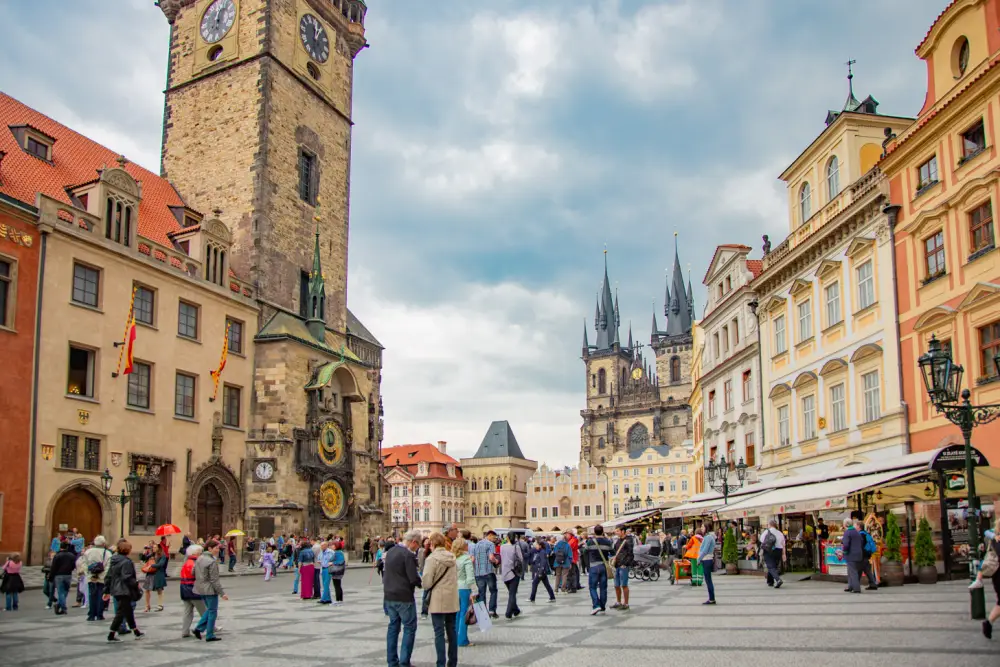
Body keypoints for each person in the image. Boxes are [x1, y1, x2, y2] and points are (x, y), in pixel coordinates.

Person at [384, 530, 422, 667]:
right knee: (409, 628)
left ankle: (392, 661)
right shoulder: (408, 555)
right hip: (404, 597)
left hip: (389, 596)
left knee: (393, 628)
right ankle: (404, 662)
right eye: (417, 545)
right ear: (413, 542)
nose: (417, 548)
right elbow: (413, 578)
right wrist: (421, 582)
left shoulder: (391, 551)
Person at [422, 532, 459, 667]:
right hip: (452, 598)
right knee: (452, 631)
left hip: (438, 599)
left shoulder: (432, 559)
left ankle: (440, 663)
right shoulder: (452, 557)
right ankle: (453, 662)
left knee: (439, 633)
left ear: (432, 543)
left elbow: (426, 582)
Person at [103, 541, 143, 642]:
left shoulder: (114, 560)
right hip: (124, 590)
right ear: (127, 550)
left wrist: (106, 590)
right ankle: (111, 634)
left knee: (128, 610)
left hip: (116, 589)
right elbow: (127, 577)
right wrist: (136, 583)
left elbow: (108, 576)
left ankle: (136, 631)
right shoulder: (126, 562)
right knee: (121, 612)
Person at [193, 539, 228, 642]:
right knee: (212, 611)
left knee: (209, 610)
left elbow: (193, 571)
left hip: (200, 588)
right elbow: (214, 580)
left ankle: (200, 629)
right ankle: (208, 634)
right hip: (210, 589)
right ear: (209, 548)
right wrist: (222, 593)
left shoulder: (199, 558)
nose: (218, 550)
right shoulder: (211, 561)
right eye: (216, 548)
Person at [453, 537, 477, 648]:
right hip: (464, 588)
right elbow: (470, 577)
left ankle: (455, 637)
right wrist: (474, 591)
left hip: (454, 588)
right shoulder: (466, 559)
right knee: (464, 614)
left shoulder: (452, 558)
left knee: (457, 614)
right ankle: (462, 639)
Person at [179, 544, 207, 638]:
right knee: (205, 612)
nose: (201, 554)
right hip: (194, 590)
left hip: (184, 589)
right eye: (200, 552)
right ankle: (211, 627)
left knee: (187, 612)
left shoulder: (187, 562)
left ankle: (185, 631)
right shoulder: (196, 563)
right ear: (195, 553)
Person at [83, 536, 112, 621]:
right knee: (101, 596)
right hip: (102, 578)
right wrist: (102, 576)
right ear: (103, 543)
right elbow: (108, 567)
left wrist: (89, 575)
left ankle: (91, 614)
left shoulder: (88, 552)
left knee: (92, 595)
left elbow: (84, 564)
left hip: (91, 577)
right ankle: (99, 614)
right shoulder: (107, 553)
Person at [585, 526, 613, 615]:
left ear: (594, 532)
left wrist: (587, 565)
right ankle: (602, 606)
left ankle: (596, 605)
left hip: (593, 566)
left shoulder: (590, 542)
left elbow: (585, 552)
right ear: (602, 531)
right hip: (604, 566)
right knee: (603, 587)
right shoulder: (608, 542)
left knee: (592, 587)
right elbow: (613, 553)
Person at [472, 531, 499, 619]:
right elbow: (491, 557)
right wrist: (496, 561)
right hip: (488, 572)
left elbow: (472, 559)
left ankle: (483, 614)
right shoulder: (490, 544)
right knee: (493, 591)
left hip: (478, 573)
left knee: (481, 593)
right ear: (489, 535)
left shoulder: (476, 545)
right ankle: (492, 610)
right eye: (494, 537)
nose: (494, 540)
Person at [500, 534, 524, 621]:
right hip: (514, 572)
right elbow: (521, 559)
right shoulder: (516, 547)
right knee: (512, 594)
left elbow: (501, 557)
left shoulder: (502, 547)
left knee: (511, 593)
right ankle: (508, 613)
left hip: (504, 572)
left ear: (507, 538)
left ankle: (516, 610)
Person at [49, 541, 77, 615]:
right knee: (65, 591)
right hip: (68, 575)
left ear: (60, 547)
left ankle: (63, 607)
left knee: (61, 592)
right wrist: (70, 569)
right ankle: (59, 604)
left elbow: (53, 567)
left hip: (59, 575)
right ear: (67, 547)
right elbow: (74, 565)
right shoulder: (71, 555)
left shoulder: (57, 555)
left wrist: (51, 577)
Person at [611, 526, 634, 611]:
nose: (616, 532)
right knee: (616, 585)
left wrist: (625, 564)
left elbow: (631, 554)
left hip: (623, 565)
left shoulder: (628, 540)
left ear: (623, 531)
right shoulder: (618, 540)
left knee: (624, 584)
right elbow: (614, 551)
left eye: (617, 531)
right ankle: (618, 602)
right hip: (616, 565)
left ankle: (626, 603)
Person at [839, 519, 865, 594]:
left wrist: (844, 551)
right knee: (851, 571)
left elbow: (846, 544)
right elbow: (861, 541)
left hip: (851, 555)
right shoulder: (857, 532)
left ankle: (856, 588)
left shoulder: (848, 532)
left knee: (853, 572)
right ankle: (850, 586)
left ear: (845, 525)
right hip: (859, 554)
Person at [528, 537, 556, 603]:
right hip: (541, 571)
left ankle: (532, 598)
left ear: (540, 546)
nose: (536, 546)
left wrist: (540, 571)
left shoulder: (542, 552)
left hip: (541, 571)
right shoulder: (540, 552)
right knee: (547, 585)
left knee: (534, 583)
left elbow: (543, 562)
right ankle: (552, 597)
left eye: (537, 545)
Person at [761, 519, 786, 589]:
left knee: (771, 566)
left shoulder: (767, 531)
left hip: (769, 550)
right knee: (773, 566)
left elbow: (761, 539)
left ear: (769, 525)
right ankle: (770, 581)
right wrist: (784, 554)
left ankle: (778, 580)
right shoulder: (780, 533)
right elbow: (783, 544)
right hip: (778, 550)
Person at [699, 522, 717, 605]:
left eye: (702, 527)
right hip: (707, 559)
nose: (701, 528)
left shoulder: (708, 537)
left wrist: (698, 559)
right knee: (708, 580)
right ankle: (711, 598)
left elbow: (705, 550)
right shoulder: (708, 537)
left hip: (707, 560)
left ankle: (712, 599)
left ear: (707, 528)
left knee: (708, 580)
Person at [329, 541, 347, 605]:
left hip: (337, 570)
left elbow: (340, 561)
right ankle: (340, 600)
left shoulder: (337, 553)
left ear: (336, 546)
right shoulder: (339, 552)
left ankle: (338, 600)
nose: (332, 546)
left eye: (333, 545)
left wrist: (332, 563)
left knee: (337, 586)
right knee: (338, 585)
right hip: (339, 571)